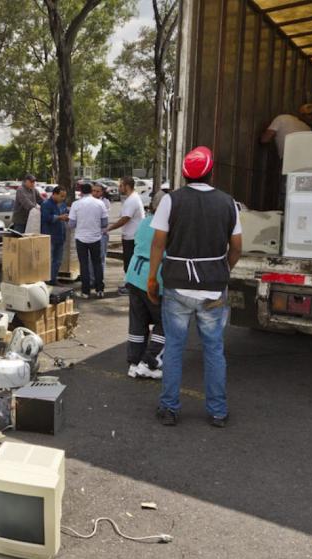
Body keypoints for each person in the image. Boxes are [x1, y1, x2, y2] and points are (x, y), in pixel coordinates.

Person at [147, 146, 242, 428]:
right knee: (213, 349)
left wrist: (152, 277)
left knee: (174, 348)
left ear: (184, 174)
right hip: (213, 287)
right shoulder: (228, 203)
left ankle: (169, 408)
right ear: (211, 173)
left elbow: (158, 243)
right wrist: (223, 270)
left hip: (178, 286)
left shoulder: (170, 201)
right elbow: (236, 248)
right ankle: (217, 412)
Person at [124, 210, 164, 380]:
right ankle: (149, 362)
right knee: (165, 322)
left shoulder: (145, 221)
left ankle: (134, 363)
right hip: (154, 277)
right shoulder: (168, 225)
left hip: (134, 274)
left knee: (137, 321)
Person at [69, 182, 109, 298]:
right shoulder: (100, 203)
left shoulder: (76, 204)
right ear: (91, 191)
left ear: (81, 192)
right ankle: (99, 290)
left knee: (84, 265)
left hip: (81, 238)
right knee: (97, 264)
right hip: (96, 237)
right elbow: (105, 223)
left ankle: (85, 291)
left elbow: (71, 224)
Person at [109, 177, 146, 296]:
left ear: (127, 186)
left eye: (121, 186)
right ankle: (129, 285)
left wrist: (109, 228)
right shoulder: (132, 198)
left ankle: (131, 288)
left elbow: (125, 219)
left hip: (132, 237)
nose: (119, 188)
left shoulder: (132, 200)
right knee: (129, 262)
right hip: (130, 236)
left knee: (130, 264)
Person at [40, 186, 69, 283]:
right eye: (61, 196)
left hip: (60, 236)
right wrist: (59, 217)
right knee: (49, 260)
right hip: (50, 236)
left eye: (64, 196)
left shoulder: (62, 204)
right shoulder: (46, 204)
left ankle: (53, 279)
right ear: (54, 194)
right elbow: (46, 218)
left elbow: (66, 214)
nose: (63, 198)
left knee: (58, 260)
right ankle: (47, 280)